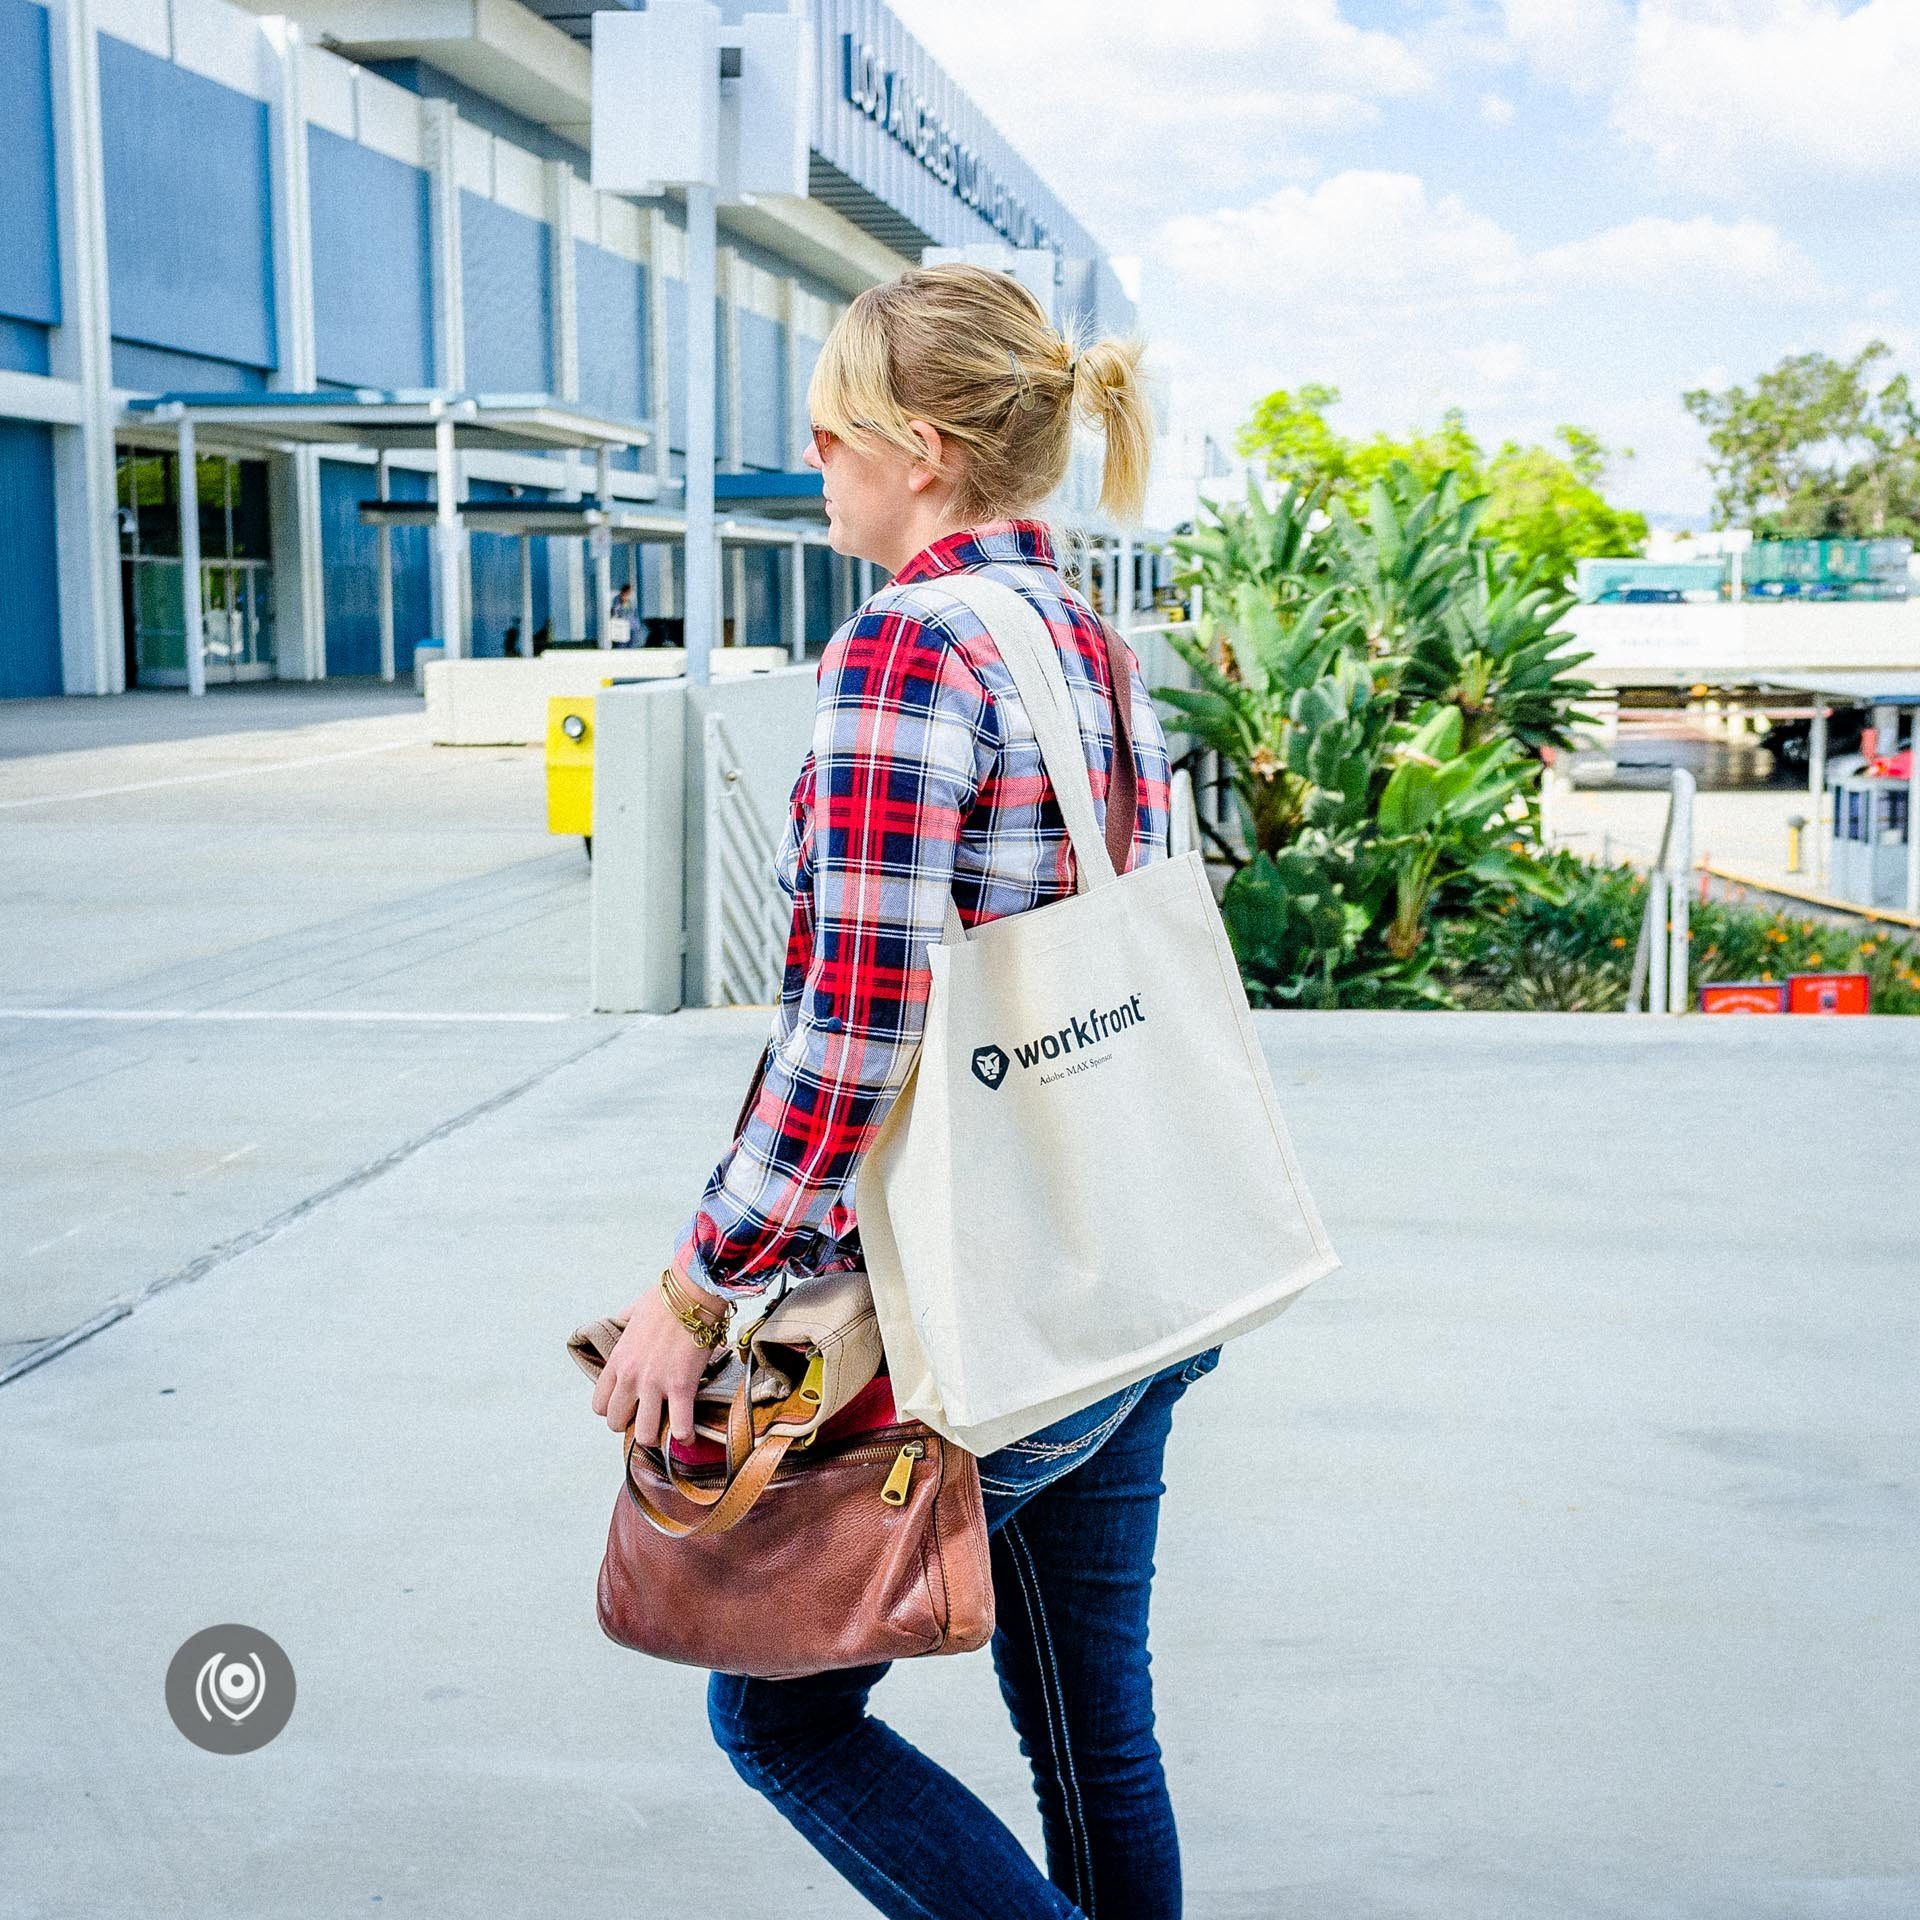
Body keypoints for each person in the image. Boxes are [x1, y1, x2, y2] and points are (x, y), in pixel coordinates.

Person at [588, 262, 1218, 1920]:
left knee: (778, 1722)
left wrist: (695, 1291)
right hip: (1122, 1268)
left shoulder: (903, 655)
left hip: (984, 1310)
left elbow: (855, 1027)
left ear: (920, 447)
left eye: (827, 436)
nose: (816, 469)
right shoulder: (1085, 639)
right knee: (1097, 1736)